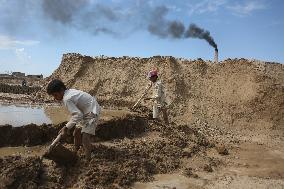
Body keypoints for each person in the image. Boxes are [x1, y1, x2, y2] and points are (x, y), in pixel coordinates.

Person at [46, 79, 101, 161]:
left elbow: (77, 115)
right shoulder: (68, 92)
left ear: (61, 90)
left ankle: (88, 160)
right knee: (76, 133)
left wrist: (66, 127)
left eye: (55, 95)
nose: (55, 98)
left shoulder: (66, 98)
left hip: (91, 111)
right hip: (84, 111)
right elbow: (79, 114)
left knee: (85, 138)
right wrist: (67, 127)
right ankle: (75, 151)